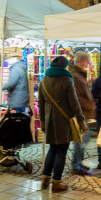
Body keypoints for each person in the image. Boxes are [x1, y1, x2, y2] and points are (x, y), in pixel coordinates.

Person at [38, 56, 87, 192]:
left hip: (49, 120)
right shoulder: (66, 79)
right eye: (66, 65)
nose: (67, 68)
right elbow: (74, 102)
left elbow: (41, 104)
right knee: (61, 151)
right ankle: (57, 183)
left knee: (52, 149)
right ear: (63, 66)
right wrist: (81, 120)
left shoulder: (44, 80)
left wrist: (42, 121)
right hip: (63, 121)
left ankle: (45, 180)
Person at [68, 53, 96, 175]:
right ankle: (76, 166)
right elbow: (77, 97)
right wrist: (89, 106)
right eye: (87, 61)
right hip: (80, 115)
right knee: (81, 140)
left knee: (83, 139)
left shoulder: (79, 75)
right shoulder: (76, 76)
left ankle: (79, 163)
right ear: (82, 62)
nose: (88, 64)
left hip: (82, 114)